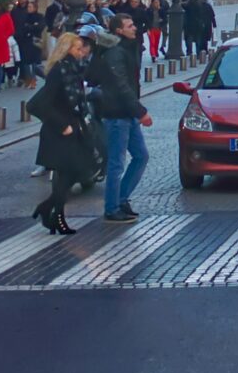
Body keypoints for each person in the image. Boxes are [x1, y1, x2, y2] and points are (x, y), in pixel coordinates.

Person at [30, 31, 93, 233]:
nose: (81, 52)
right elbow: (37, 104)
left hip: (73, 127)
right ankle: (55, 216)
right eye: (76, 48)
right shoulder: (60, 70)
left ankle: (48, 210)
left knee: (75, 172)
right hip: (59, 132)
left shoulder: (74, 69)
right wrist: (61, 125)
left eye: (81, 48)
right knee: (67, 174)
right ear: (66, 50)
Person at [91, 16, 150, 224]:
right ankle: (112, 207)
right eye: (130, 26)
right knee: (116, 164)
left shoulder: (126, 47)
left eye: (134, 24)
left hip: (127, 113)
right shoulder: (115, 53)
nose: (135, 28)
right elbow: (121, 85)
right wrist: (140, 111)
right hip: (117, 115)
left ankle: (121, 198)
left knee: (141, 156)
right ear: (118, 30)